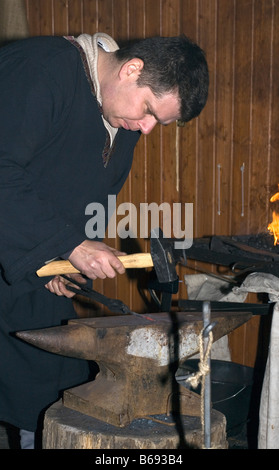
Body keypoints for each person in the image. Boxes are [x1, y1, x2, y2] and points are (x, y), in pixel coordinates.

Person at [0, 31, 209, 448]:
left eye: (158, 123)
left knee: (57, 392)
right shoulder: (40, 70)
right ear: (131, 69)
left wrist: (60, 260)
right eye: (149, 110)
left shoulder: (122, 120)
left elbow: (87, 201)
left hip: (35, 264)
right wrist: (70, 245)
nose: (147, 129)